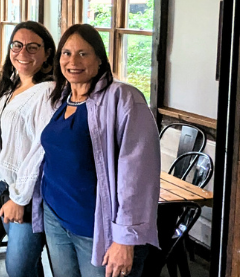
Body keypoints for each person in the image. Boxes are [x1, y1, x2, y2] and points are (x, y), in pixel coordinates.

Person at [40, 24, 159, 277]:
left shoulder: (123, 98)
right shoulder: (61, 97)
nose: (73, 61)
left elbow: (137, 175)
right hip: (56, 217)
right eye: (66, 53)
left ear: (100, 59)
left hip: (97, 229)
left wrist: (125, 239)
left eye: (83, 53)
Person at [0, 21, 57, 277]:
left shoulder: (46, 92)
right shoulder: (12, 87)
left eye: (33, 47)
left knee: (18, 268)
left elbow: (41, 149)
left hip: (28, 193)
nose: (23, 52)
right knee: (29, 269)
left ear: (47, 54)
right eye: (17, 45)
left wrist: (19, 198)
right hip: (4, 187)